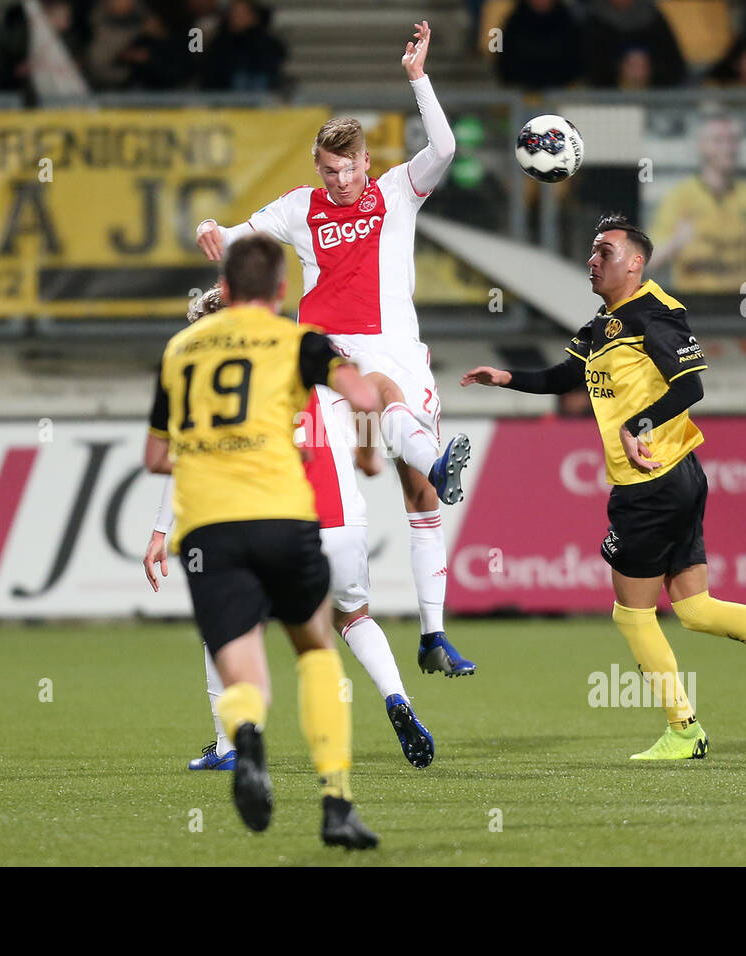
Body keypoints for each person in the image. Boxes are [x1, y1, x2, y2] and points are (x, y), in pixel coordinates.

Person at [460, 214, 746, 760]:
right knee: (694, 608)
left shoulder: (655, 314)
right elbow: (562, 378)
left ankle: (684, 729)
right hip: (677, 475)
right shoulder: (603, 324)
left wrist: (636, 424)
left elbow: (690, 383)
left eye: (605, 252)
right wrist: (505, 378)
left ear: (636, 263)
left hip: (652, 483)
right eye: (592, 252)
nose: (592, 260)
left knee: (632, 613)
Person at [195, 21, 478, 679]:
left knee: (419, 496)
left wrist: (418, 78)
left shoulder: (399, 190)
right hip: (329, 349)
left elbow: (445, 144)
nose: (338, 182)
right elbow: (240, 234)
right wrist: (213, 228)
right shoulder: (301, 207)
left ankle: (433, 635)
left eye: (346, 170)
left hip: (398, 342)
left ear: (366, 163)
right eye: (327, 171)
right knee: (384, 407)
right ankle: (409, 481)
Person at [144, 233, 381, 848]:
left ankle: (246, 738)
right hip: (283, 519)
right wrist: (366, 448)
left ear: (222, 289)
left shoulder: (180, 350)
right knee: (315, 649)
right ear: (281, 291)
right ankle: (336, 802)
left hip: (208, 530)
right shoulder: (300, 340)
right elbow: (360, 393)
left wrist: (211, 454)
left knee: (240, 662)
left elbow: (154, 456)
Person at [144, 285, 436, 773]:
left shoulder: (213, 384)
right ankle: (396, 699)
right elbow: (368, 398)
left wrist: (159, 530)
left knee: (228, 628)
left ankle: (231, 744)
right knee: (354, 620)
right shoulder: (303, 350)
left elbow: (180, 460)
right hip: (343, 519)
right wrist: (367, 455)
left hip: (273, 519)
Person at [646, 111, 746, 294]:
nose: (727, 148)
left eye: (732, 140)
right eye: (718, 140)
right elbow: (649, 261)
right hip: (695, 305)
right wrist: (675, 243)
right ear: (700, 145)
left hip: (740, 305)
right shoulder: (680, 197)